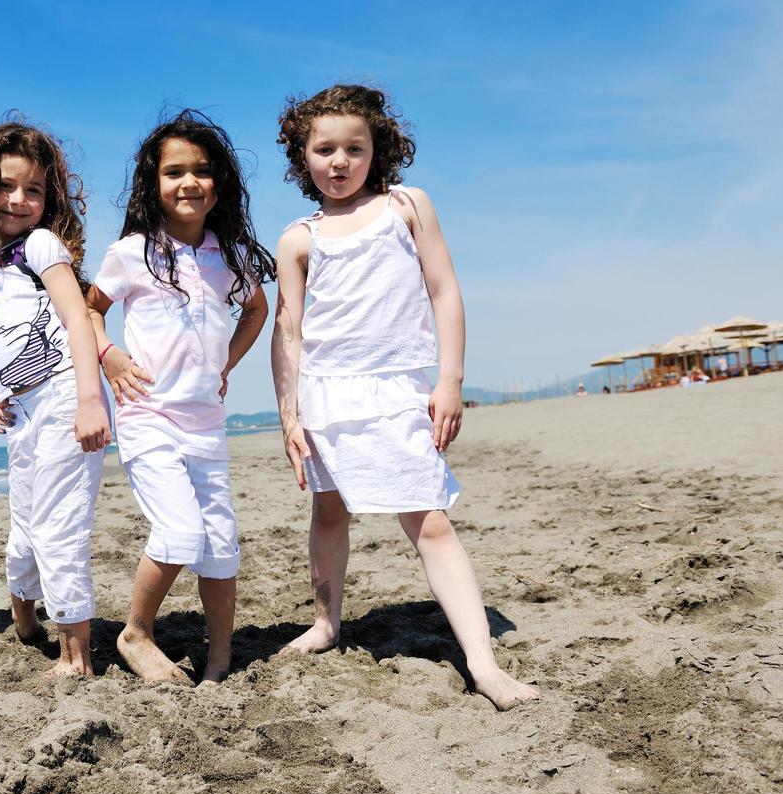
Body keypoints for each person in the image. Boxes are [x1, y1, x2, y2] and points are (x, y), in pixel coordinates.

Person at [270, 85, 539, 710]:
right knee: (329, 511)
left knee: (430, 521)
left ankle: (482, 663)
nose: (339, 161)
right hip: (325, 396)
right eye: (325, 149)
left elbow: (444, 290)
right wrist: (289, 414)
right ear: (302, 157)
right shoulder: (298, 239)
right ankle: (327, 623)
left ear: (377, 150)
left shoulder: (406, 206)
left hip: (396, 388)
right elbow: (288, 333)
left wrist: (450, 381)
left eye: (354, 148)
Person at [88, 110, 275, 684]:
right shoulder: (132, 252)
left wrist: (225, 363)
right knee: (179, 532)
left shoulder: (229, 256)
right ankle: (135, 632)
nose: (188, 182)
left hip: (206, 422)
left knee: (220, 544)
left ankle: (219, 661)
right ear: (154, 184)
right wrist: (108, 353)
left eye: (201, 171)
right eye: (174, 172)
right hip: (148, 418)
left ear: (220, 183)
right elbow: (89, 311)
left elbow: (257, 310)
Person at [0, 119, 112, 678]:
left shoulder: (40, 245)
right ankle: (25, 619)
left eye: (34, 190)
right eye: (6, 185)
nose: (19, 200)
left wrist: (91, 399)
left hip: (69, 393)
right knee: (25, 524)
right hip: (21, 409)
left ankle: (76, 655)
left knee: (60, 523)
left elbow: (77, 318)